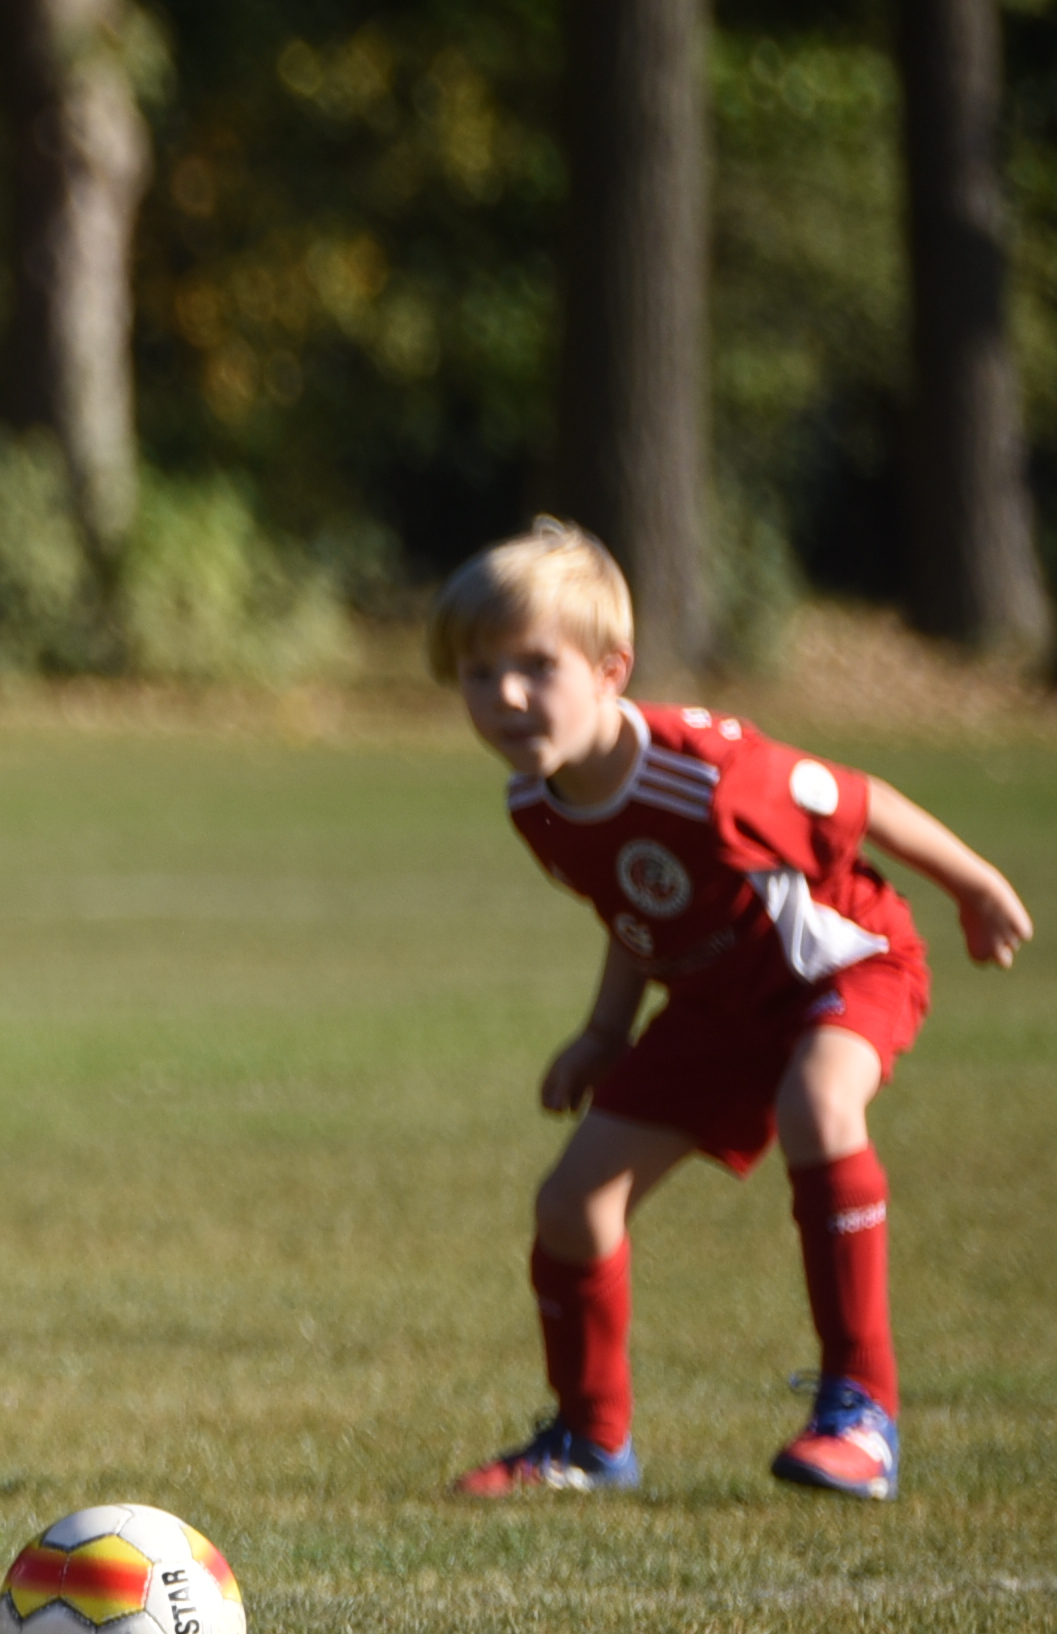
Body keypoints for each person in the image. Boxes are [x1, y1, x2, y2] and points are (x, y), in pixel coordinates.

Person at [430, 519, 1024, 1504]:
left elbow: (858, 797)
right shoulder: (535, 804)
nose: (503, 695)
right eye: (476, 671)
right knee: (571, 1201)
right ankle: (587, 1441)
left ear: (611, 668)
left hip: (840, 968)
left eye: (535, 665)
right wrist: (605, 1032)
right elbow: (634, 908)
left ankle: (859, 1415)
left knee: (819, 1103)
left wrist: (973, 884)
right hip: (716, 1006)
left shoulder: (709, 771)